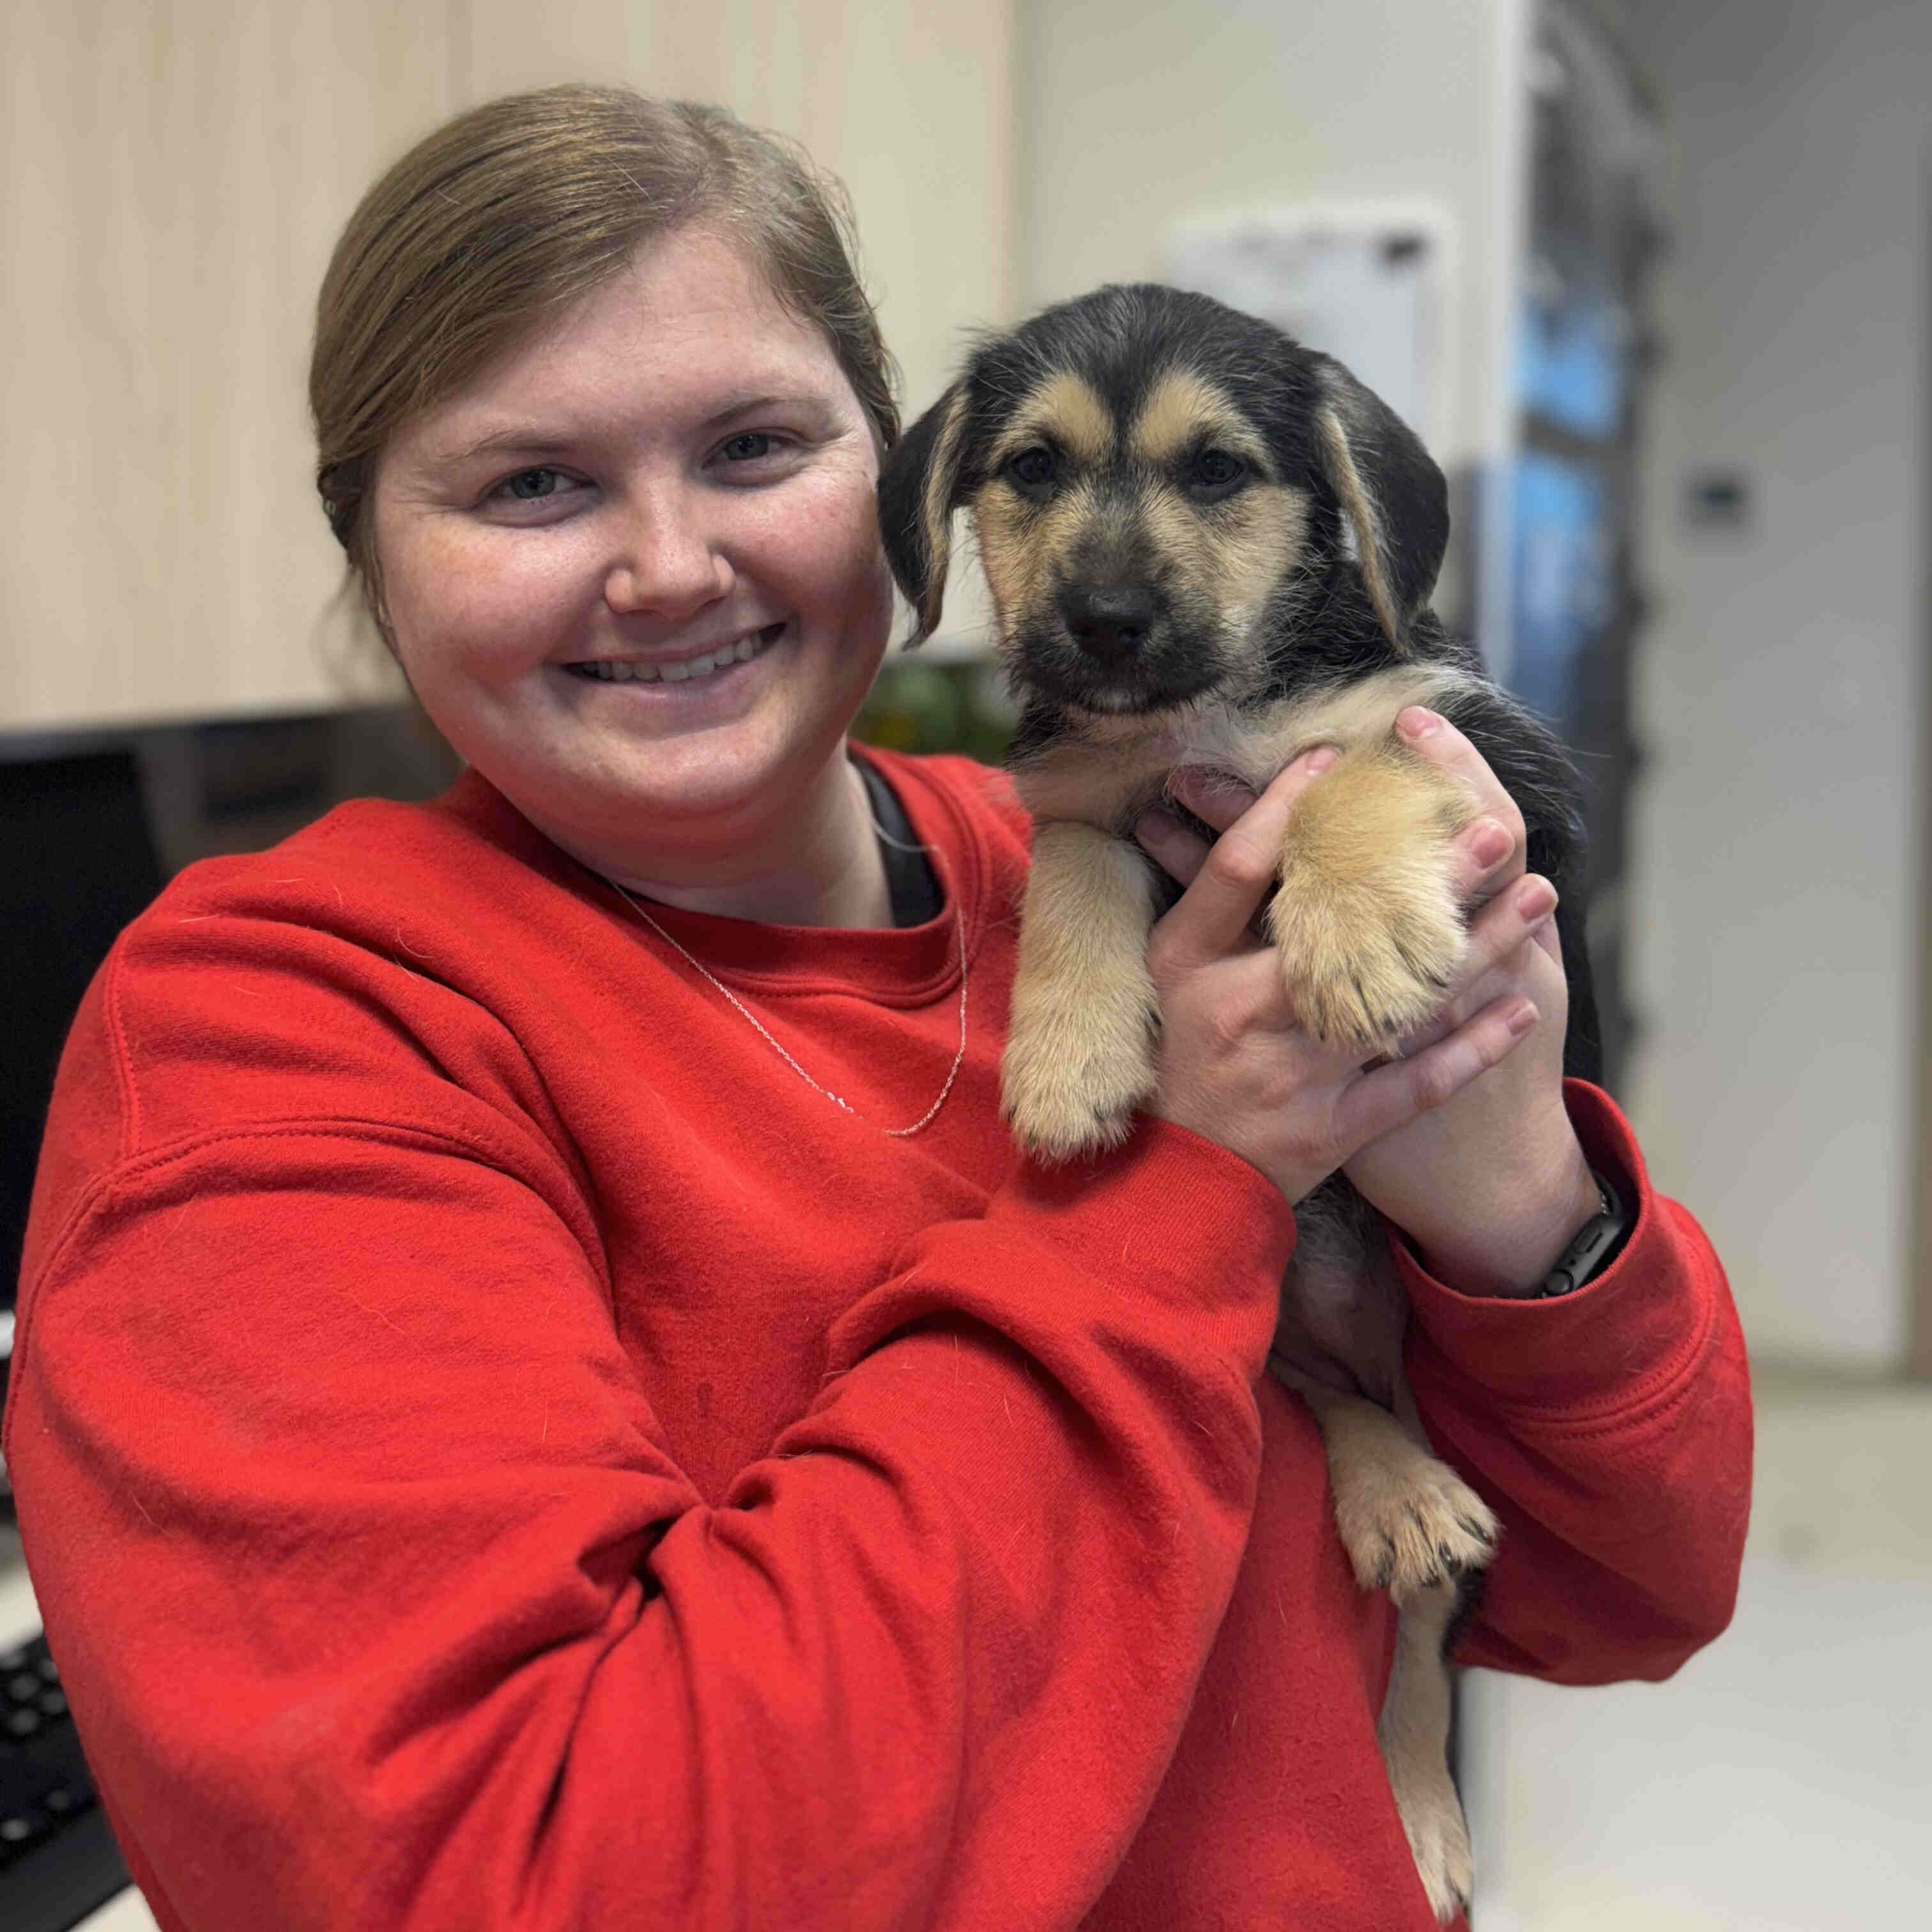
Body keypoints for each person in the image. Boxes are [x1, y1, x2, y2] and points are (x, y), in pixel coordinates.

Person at [5, 85, 1751, 1931]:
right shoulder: (279, 1035)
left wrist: (1520, 1214)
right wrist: (1193, 1186)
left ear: (894, 483)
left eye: (756, 446)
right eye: (529, 482)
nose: (669, 566)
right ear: (369, 544)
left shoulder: (1162, 854)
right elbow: (530, 1886)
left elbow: (1622, 1594)